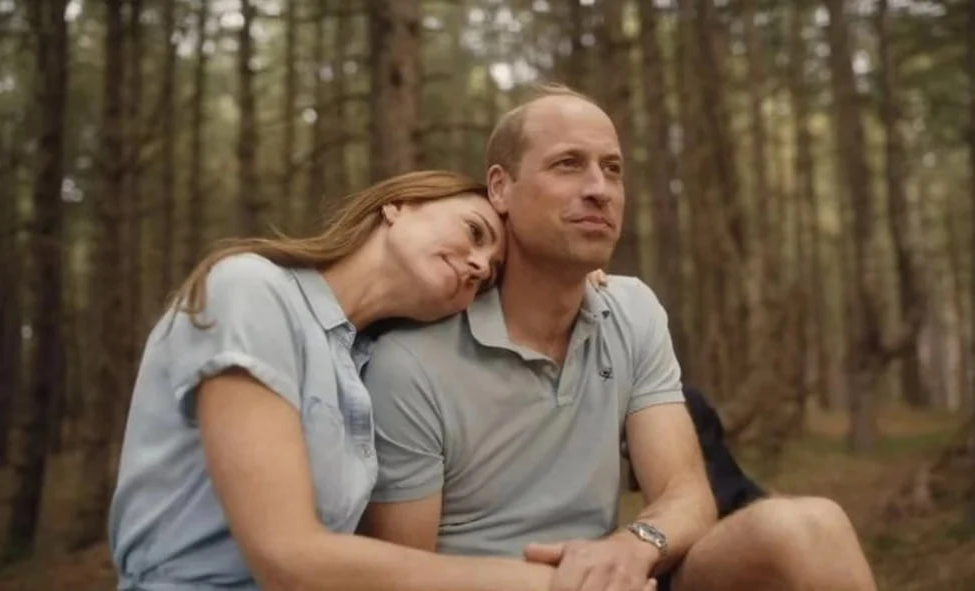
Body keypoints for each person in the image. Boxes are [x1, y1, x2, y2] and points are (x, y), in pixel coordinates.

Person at [360, 85, 879, 591]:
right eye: (568, 164)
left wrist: (631, 547)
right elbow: (403, 577)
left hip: (620, 577)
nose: (599, 189)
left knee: (810, 527)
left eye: (612, 169)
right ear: (500, 187)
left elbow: (686, 495)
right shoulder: (412, 359)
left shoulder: (631, 311)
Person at [108, 170, 617, 590]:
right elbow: (287, 559)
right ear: (399, 205)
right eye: (475, 232)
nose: (479, 264)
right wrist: (546, 584)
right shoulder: (251, 290)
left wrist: (565, 279)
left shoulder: (368, 366)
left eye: (488, 277)